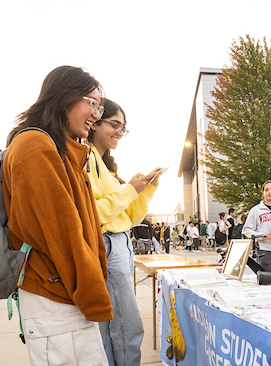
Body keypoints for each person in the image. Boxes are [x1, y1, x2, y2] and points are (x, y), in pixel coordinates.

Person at [3, 65, 112, 365]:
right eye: (92, 102)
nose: (96, 114)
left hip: (67, 295)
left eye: (99, 107)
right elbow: (62, 234)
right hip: (56, 298)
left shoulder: (67, 151)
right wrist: (95, 298)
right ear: (65, 97)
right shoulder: (34, 146)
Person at [86, 98, 160, 365]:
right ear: (95, 123)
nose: (119, 132)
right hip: (108, 244)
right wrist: (130, 189)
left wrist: (145, 190)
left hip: (118, 243)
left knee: (114, 325)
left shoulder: (102, 163)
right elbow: (92, 213)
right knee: (125, 326)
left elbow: (127, 217)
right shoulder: (85, 157)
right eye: (115, 125)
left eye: (123, 128)